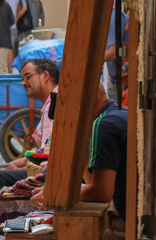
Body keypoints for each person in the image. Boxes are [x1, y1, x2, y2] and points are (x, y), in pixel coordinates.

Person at [0, 59, 59, 238]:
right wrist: (18, 164)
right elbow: (43, 150)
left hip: (50, 173)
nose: (23, 82)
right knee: (3, 174)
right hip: (45, 168)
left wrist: (21, 167)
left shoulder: (55, 101)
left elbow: (49, 155)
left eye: (27, 77)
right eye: (22, 78)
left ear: (45, 76)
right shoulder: (49, 103)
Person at [31, 83, 128, 224]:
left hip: (126, 223)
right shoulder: (117, 114)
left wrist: (56, 194)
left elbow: (101, 192)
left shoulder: (103, 125)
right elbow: (91, 182)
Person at [104, 6, 129, 103]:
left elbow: (113, 53)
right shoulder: (114, 17)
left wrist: (88, 61)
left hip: (123, 82)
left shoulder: (113, 18)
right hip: (117, 81)